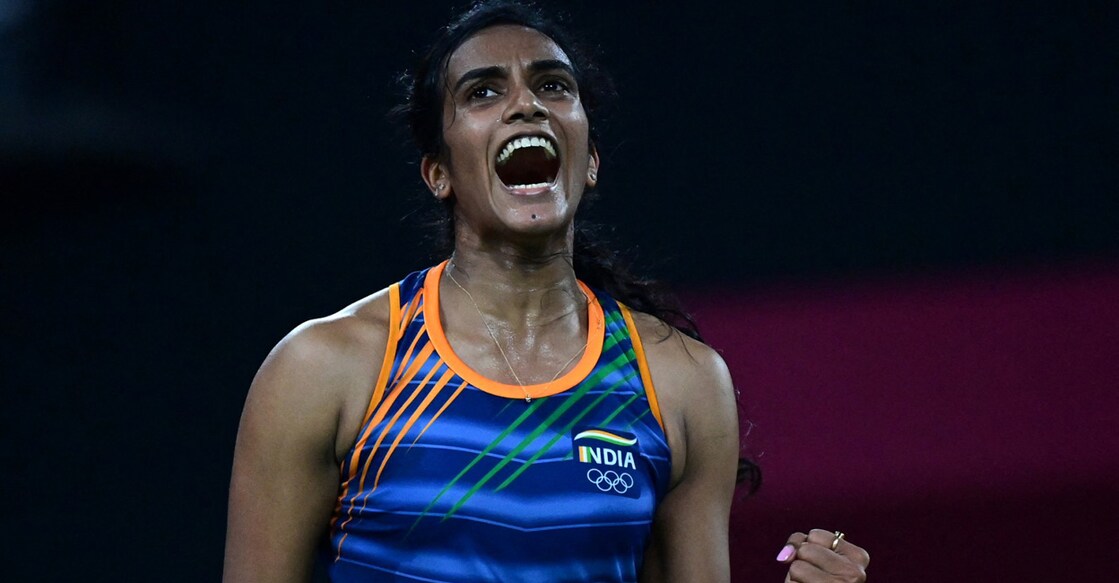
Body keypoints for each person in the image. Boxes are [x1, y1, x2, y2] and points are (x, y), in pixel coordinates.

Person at [223, 1, 870, 582]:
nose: (526, 105)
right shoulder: (323, 368)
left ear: (590, 161)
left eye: (553, 85)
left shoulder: (681, 383)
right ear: (438, 173)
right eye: (482, 91)